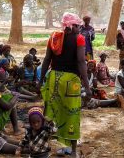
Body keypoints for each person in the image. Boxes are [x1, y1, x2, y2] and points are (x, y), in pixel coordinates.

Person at [39, 12, 92, 157]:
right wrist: (87, 87)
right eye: (78, 26)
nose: (79, 29)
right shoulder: (79, 39)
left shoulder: (54, 37)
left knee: (51, 112)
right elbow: (81, 62)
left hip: (54, 79)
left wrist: (39, 81)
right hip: (71, 82)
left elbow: (47, 60)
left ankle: (42, 146)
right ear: (73, 25)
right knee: (72, 113)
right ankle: (73, 151)